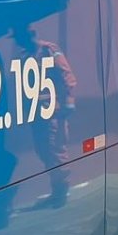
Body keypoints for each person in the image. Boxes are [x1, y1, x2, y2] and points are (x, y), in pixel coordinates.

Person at [14, 24, 77, 210]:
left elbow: (66, 74)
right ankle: (57, 189)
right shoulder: (25, 56)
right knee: (43, 150)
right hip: (37, 115)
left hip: (53, 113)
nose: (17, 41)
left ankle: (61, 193)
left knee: (56, 149)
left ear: (30, 34)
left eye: (19, 36)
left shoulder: (49, 50)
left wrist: (69, 101)